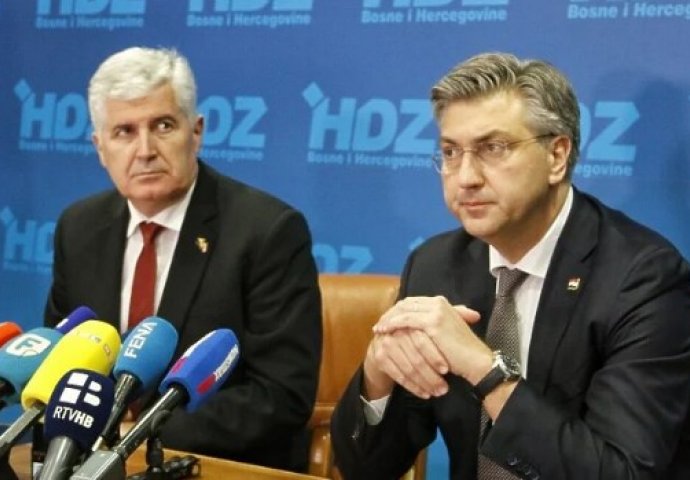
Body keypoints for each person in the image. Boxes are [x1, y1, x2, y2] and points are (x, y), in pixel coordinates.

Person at [330, 52, 690, 479]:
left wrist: (485, 372)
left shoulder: (642, 278)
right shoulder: (434, 266)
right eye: (450, 152)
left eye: (493, 148)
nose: (466, 177)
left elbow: (621, 472)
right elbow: (367, 470)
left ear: (557, 156)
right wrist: (378, 374)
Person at [44, 46, 322, 472]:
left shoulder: (267, 231)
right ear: (100, 148)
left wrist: (133, 438)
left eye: (163, 126)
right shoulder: (78, 228)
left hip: (213, 466)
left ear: (196, 131)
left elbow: (280, 396)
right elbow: (61, 371)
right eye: (124, 132)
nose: (145, 150)